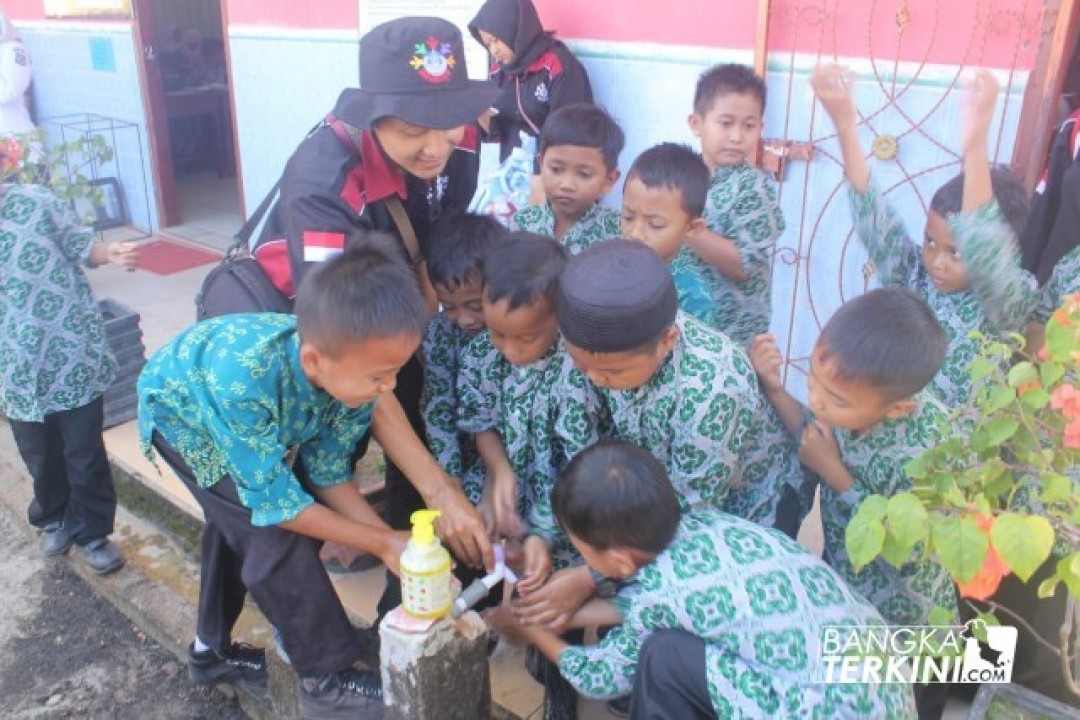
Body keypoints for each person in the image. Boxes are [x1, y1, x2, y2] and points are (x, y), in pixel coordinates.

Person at [138, 239, 491, 717]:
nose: (387, 389)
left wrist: (385, 539)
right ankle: (324, 677)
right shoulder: (242, 380)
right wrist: (383, 543)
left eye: (395, 373)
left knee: (242, 523)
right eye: (378, 377)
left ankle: (209, 651)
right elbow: (280, 508)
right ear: (314, 363)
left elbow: (328, 475)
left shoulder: (350, 379)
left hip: (245, 414)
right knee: (270, 536)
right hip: (183, 414)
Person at [249, 16, 498, 616]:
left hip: (394, 305)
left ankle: (412, 588)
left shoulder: (459, 139)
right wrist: (443, 487)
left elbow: (436, 227)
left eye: (447, 124)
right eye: (413, 130)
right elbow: (347, 346)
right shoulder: (322, 183)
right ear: (372, 117)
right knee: (313, 459)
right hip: (320, 323)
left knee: (409, 408)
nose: (437, 146)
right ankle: (315, 633)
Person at [488, 439, 917, 719]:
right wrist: (570, 615)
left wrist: (531, 631)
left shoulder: (659, 594)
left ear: (617, 557)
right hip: (884, 691)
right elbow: (669, 604)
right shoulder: (710, 525)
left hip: (825, 709)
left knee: (664, 657)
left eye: (580, 549)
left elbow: (598, 676)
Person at [518, 239, 761, 638]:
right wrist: (543, 534)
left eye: (611, 372)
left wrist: (590, 577)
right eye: (581, 362)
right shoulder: (591, 353)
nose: (593, 378)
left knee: (683, 599)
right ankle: (564, 655)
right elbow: (578, 463)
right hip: (630, 483)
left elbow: (688, 515)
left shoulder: (714, 390)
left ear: (666, 342)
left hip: (717, 507)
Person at [750, 288, 959, 719]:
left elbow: (911, 551)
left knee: (911, 699)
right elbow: (813, 436)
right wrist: (776, 391)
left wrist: (836, 475)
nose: (818, 400)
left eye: (835, 399)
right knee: (856, 686)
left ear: (899, 408)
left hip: (907, 612)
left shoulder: (928, 455)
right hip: (850, 580)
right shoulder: (852, 401)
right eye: (811, 379)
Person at [812, 64, 1037, 408]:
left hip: (955, 455)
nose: (937, 261)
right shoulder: (915, 275)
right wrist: (845, 127)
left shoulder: (1006, 300)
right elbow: (875, 221)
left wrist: (975, 147)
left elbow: (985, 250)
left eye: (955, 252)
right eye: (931, 242)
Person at [1, 168, 139, 576]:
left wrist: (110, 252)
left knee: (84, 451)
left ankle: (93, 533)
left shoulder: (38, 202)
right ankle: (55, 517)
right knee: (39, 453)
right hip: (14, 364)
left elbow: (81, 246)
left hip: (69, 350)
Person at [456, 233, 598, 569]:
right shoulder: (480, 354)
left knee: (547, 573)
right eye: (497, 332)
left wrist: (541, 532)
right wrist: (500, 472)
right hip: (508, 493)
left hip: (566, 501)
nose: (510, 349)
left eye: (527, 337)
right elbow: (482, 423)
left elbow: (579, 465)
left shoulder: (577, 370)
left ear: (560, 317)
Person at [686, 63, 786, 348]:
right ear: (696, 124)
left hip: (732, 337)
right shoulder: (680, 177)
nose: (737, 136)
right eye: (726, 123)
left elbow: (743, 265)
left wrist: (683, 227)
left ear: (760, 128)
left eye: (749, 126)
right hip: (683, 325)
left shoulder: (753, 187)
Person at [422, 212, 508, 507]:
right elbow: (439, 409)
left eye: (475, 305)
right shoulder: (439, 334)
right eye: (450, 307)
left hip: (519, 454)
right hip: (470, 454)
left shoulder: (518, 331)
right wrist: (451, 485)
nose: (465, 319)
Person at [468, 0, 593, 166]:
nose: (493, 50)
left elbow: (570, 132)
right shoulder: (499, 72)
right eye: (488, 44)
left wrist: (541, 178)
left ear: (513, 28)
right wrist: (483, 119)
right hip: (514, 174)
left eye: (496, 40)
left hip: (555, 174)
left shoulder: (557, 65)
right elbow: (500, 131)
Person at [619, 142, 718, 326]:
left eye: (655, 225)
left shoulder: (693, 295)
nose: (635, 233)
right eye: (628, 217)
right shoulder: (610, 262)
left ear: (692, 228)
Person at [510, 103, 623, 255]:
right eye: (556, 170)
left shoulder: (618, 232)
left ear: (609, 180)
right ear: (541, 164)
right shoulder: (522, 224)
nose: (567, 185)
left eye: (584, 174)